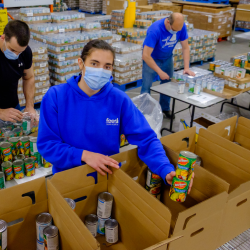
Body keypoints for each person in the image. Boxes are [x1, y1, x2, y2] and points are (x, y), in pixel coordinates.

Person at [37, 39, 194, 191]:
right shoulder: (56, 97)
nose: (100, 71)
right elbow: (47, 145)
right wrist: (83, 155)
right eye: (94, 63)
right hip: (68, 180)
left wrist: (165, 168)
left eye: (107, 66)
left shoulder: (119, 100)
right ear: (80, 63)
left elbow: (147, 138)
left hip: (106, 179)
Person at [141, 13, 195, 119]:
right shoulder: (155, 30)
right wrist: (159, 71)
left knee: (167, 85)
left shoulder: (181, 27)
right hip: (152, 59)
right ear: (168, 22)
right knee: (146, 87)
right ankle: (144, 112)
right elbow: (146, 56)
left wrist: (186, 68)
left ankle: (165, 108)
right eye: (174, 29)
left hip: (167, 58)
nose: (175, 32)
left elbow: (185, 47)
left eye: (178, 30)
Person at [0, 20, 36, 123]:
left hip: (13, 109)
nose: (16, 55)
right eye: (12, 50)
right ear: (3, 38)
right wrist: (1, 112)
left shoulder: (26, 52)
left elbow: (29, 77)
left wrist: (29, 106)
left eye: (20, 52)